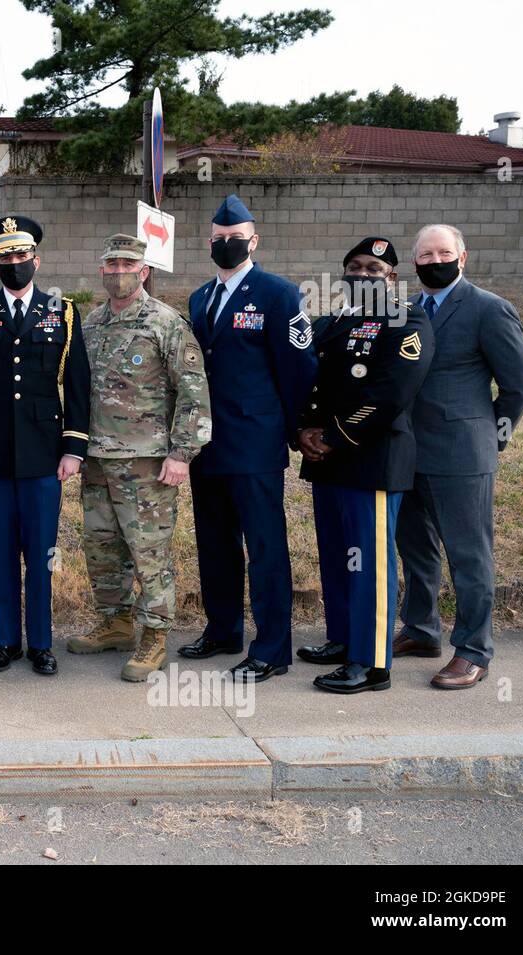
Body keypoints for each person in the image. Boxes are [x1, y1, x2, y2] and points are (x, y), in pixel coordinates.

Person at [177, 194, 317, 683]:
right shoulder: (199, 297)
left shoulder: (279, 294)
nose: (226, 246)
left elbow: (299, 369)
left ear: (253, 241)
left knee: (265, 547)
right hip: (206, 445)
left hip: (255, 442)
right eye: (218, 240)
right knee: (213, 543)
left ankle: (273, 648)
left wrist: (295, 426)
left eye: (235, 239)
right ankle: (222, 629)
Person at [395, 224, 523, 689]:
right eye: (425, 255)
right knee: (415, 551)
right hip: (408, 453)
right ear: (414, 263)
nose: (434, 261)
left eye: (443, 253)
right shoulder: (408, 310)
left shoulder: (488, 309)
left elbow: (521, 384)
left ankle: (474, 650)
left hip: (462, 455)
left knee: (469, 556)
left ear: (463, 256)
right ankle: (421, 630)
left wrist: (490, 433)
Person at [295, 237, 434, 693]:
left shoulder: (408, 320)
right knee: (338, 556)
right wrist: (305, 431)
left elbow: (391, 394)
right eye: (354, 267)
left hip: (371, 458)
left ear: (391, 278)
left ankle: (371, 662)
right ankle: (342, 639)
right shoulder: (333, 322)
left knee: (368, 562)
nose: (362, 275)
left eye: (374, 269)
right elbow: (313, 383)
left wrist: (333, 437)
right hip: (329, 461)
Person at [69, 233, 211, 681]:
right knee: (103, 549)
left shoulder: (165, 323)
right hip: (96, 459)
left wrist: (182, 453)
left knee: (149, 552)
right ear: (101, 271)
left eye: (126, 265)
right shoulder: (90, 324)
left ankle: (154, 636)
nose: (117, 273)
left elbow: (193, 393)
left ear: (144, 271)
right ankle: (115, 622)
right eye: (110, 265)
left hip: (147, 463)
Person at [0, 215, 90, 676]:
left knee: (42, 552)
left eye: (21, 256)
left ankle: (41, 644)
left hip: (44, 456)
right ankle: (5, 640)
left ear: (36, 259)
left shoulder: (63, 312)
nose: (14, 263)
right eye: (5, 258)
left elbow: (77, 385)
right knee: (0, 552)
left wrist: (74, 448)